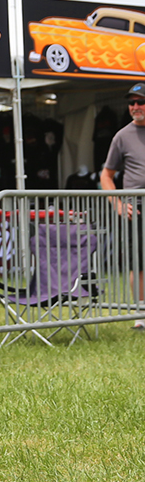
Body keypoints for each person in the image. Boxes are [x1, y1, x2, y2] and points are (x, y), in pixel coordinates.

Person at [100, 82, 145, 329]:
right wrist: (117, 203)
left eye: (140, 102)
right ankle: (140, 315)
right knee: (138, 263)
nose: (135, 107)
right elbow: (106, 175)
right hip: (135, 207)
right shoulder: (122, 135)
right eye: (132, 102)